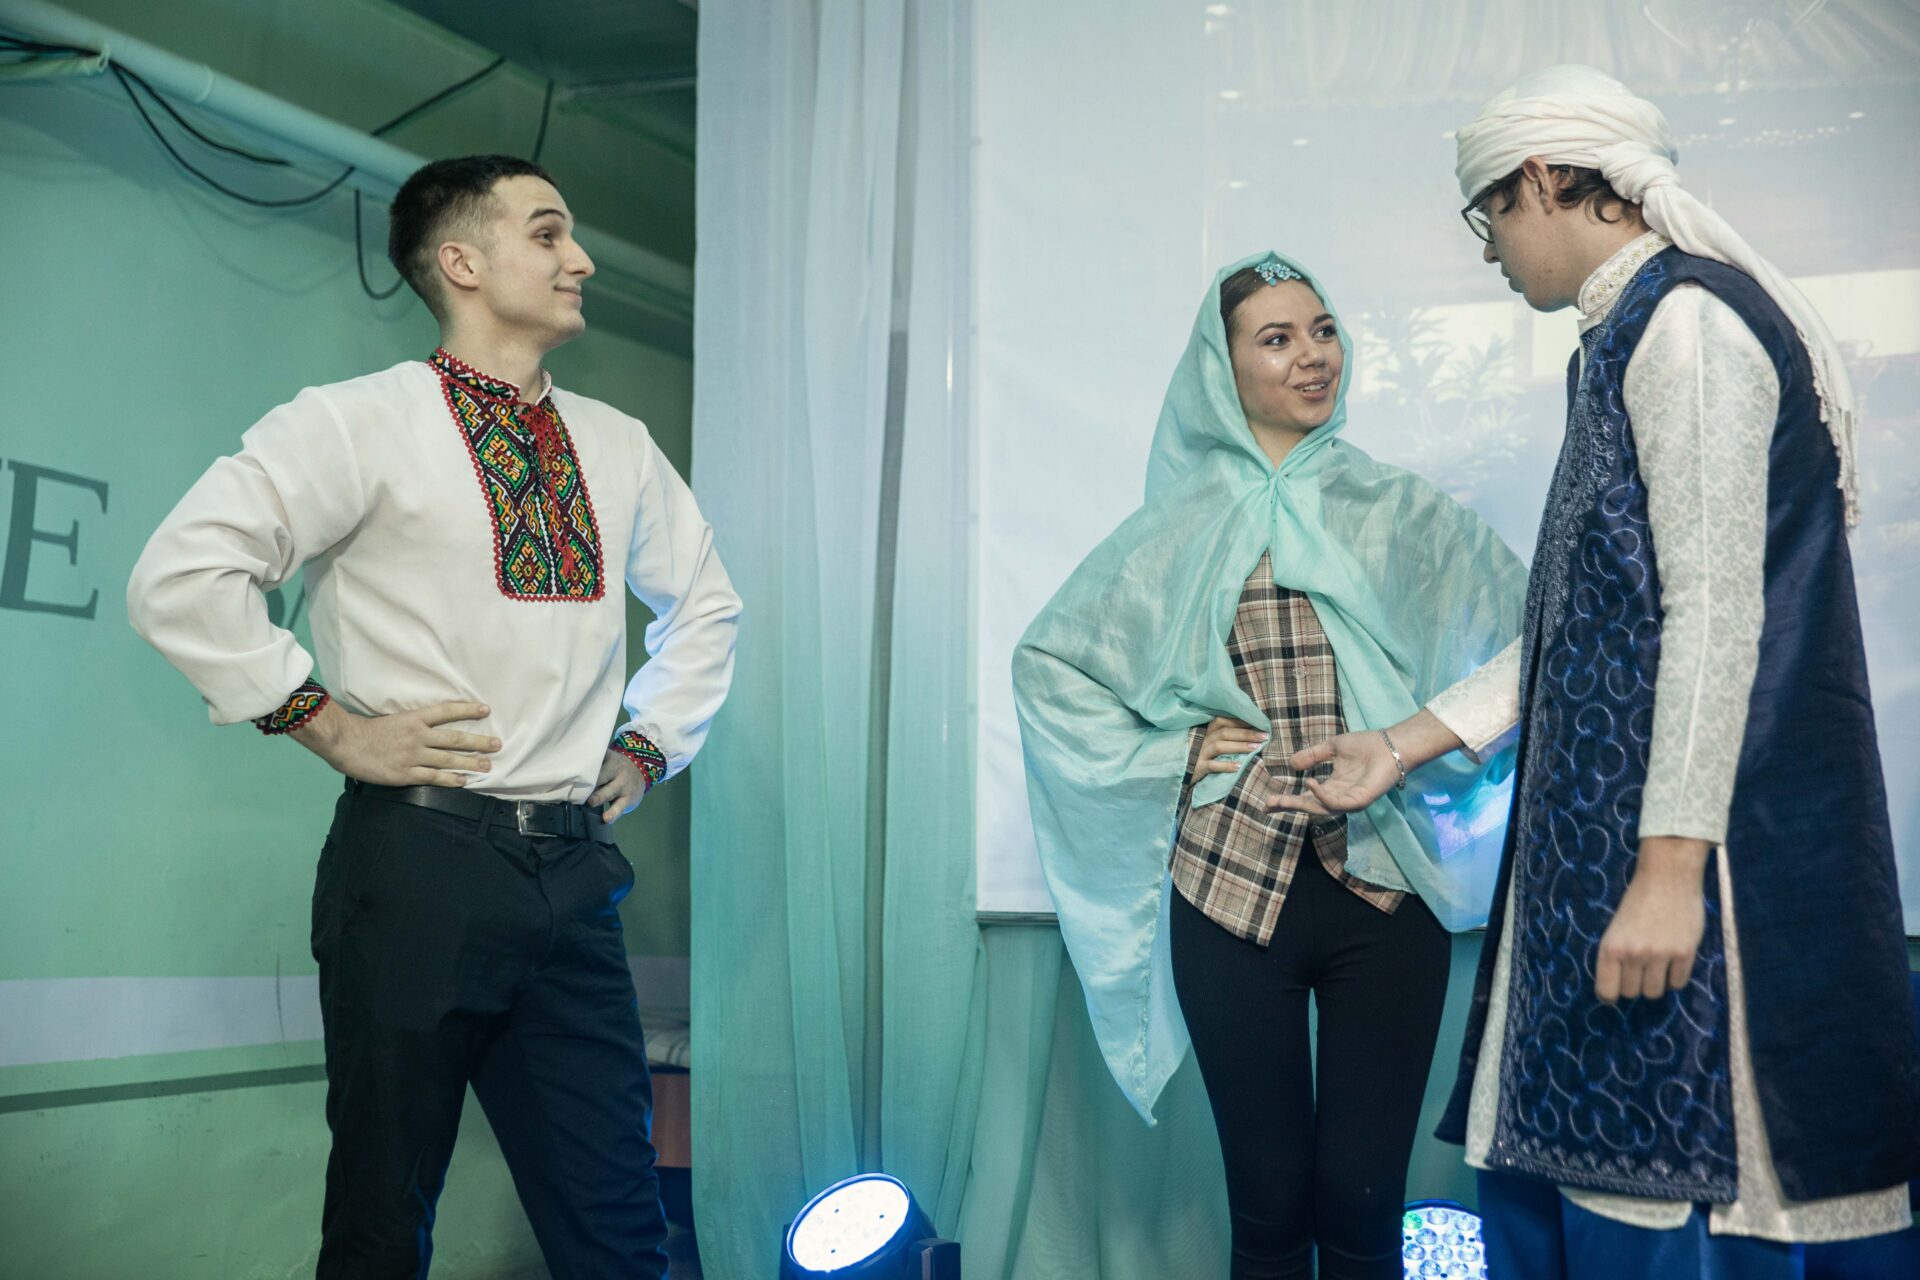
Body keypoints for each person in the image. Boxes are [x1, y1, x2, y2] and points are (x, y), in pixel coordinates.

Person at [1274, 66, 1920, 1280]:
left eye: (1488, 214)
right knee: (1577, 1172)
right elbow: (1588, 621)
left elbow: (1715, 609)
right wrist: (1400, 745)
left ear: (1539, 181)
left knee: (1683, 1174)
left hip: (1702, 862)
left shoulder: (1687, 327)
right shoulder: (1618, 336)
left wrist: (1670, 870)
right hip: (1597, 852)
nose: (1489, 249)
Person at [127, 154, 740, 1279]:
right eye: (548, 233)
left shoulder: (617, 443)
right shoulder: (355, 421)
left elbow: (706, 604)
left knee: (620, 1229)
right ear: (461, 261)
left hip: (573, 873)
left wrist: (649, 744)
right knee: (381, 1220)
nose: (580, 258)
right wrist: (329, 725)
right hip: (417, 861)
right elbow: (182, 574)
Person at [1012, 252, 1527, 1280]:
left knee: (1365, 1205)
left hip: (1386, 893)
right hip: (1227, 897)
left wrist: (1409, 740)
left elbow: (1529, 643)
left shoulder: (1400, 511)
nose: (1312, 356)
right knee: (1269, 1208)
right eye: (1277, 338)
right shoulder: (1175, 531)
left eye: (1323, 330)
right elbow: (1051, 669)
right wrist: (1172, 751)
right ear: (1222, 368)